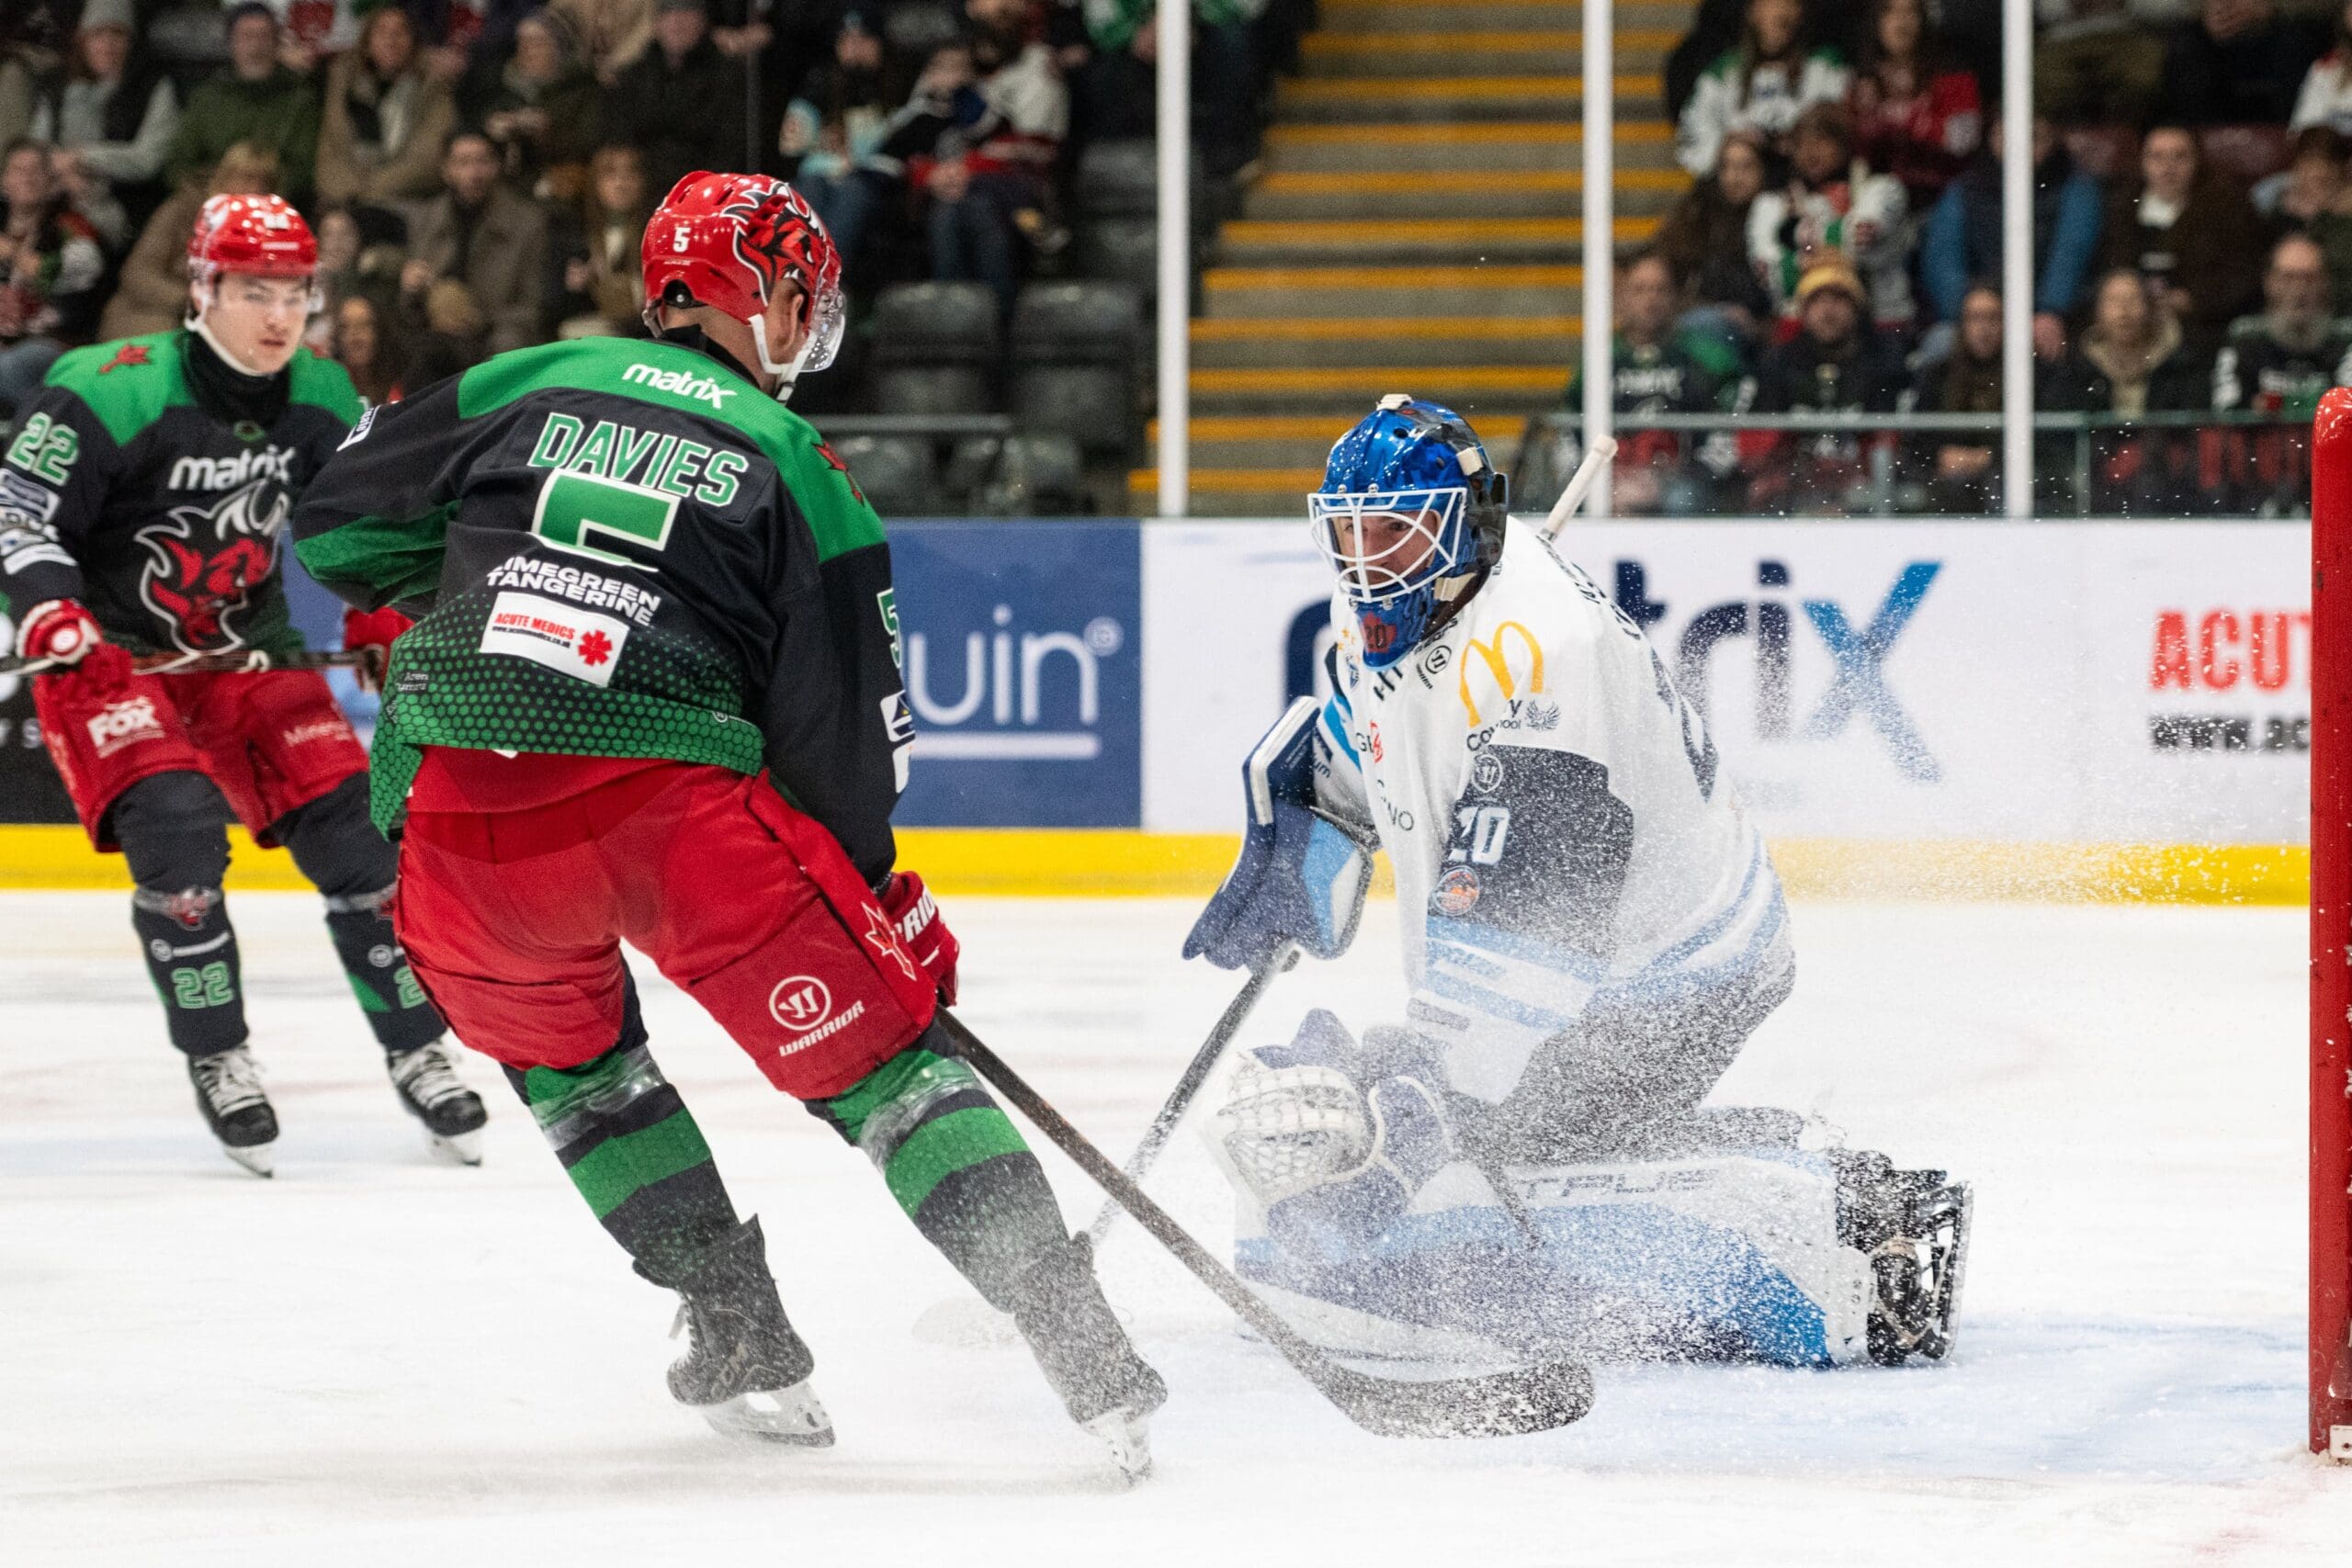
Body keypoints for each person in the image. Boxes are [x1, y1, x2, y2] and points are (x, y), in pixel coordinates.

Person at [287, 172, 1166, 1472]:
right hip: (672, 810)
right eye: (804, 295)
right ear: (763, 293)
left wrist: (466, 586)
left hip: (462, 814)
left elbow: (335, 521)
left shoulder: (525, 375)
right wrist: (871, 900)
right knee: (893, 1078)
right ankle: (1082, 1342)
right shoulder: (802, 463)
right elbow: (843, 737)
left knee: (577, 1074)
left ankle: (738, 1327)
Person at [1183, 394, 1969, 1370]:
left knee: (1471, 1157)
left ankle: (1842, 1221)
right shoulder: (1409, 607)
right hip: (1591, 957)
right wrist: (1307, 821)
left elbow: (1531, 923)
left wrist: (1425, 1094)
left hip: (1679, 968)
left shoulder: (1545, 652)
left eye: (1390, 534)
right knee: (1431, 1120)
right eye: (1345, 536)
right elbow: (1388, 732)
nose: (1363, 563)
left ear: (1460, 531)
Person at [0, 194, 486, 1176]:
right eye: (252, 290)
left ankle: (418, 1048)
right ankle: (220, 1055)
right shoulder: (108, 388)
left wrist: (385, 623)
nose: (277, 315)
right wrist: (52, 610)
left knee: (360, 834)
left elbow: (372, 524)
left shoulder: (319, 391)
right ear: (201, 289)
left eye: (295, 292)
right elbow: (18, 510)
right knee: (178, 829)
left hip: (242, 655)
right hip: (108, 658)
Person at [1556, 250, 1743, 514]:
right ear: (1622, 297)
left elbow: (1727, 428)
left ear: (1675, 296)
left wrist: (1689, 474)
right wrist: (1597, 480)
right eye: (1640, 290)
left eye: (1660, 289)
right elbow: (1570, 432)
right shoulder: (1599, 359)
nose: (1650, 299)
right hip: (1612, 482)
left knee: (1683, 500)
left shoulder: (1706, 356)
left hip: (1681, 483)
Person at [1920, 112, 2102, 359]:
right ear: (1992, 139)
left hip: (2049, 319)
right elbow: (1944, 260)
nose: (2019, 147)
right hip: (1978, 314)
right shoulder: (1964, 191)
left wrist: (2051, 310)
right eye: (2007, 136)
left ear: (2053, 142)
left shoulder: (2076, 189)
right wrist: (1973, 316)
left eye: (2034, 137)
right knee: (1940, 344)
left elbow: (2070, 255)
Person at [1741, 259, 1908, 512]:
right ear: (1804, 310)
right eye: (1817, 300)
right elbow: (1758, 445)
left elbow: (1890, 442)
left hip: (1862, 491)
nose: (1827, 311)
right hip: (1792, 488)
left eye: (1838, 300)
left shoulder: (1883, 361)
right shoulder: (1779, 362)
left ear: (1856, 308)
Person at [2207, 232, 2352, 511]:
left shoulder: (2346, 338)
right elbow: (2224, 412)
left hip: (2333, 484)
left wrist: (2277, 405)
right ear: (2270, 283)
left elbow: (2347, 420)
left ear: (2325, 284)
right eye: (2288, 278)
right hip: (2254, 482)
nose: (2299, 290)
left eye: (2308, 278)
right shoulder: (2243, 337)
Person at [2095, 125, 2263, 361]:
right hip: (2130, 325)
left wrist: (2194, 300)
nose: (2168, 168)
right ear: (2142, 161)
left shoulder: (2227, 207)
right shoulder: (2121, 207)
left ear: (2197, 161)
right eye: (2157, 157)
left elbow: (2246, 274)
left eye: (2179, 157)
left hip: (2201, 327)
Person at [1747, 101, 1913, 332]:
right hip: (1804, 329)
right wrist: (1832, 244)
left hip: (1879, 324)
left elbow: (1865, 247)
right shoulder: (1774, 204)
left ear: (1844, 146)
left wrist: (1801, 243)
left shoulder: (1880, 190)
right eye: (1801, 144)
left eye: (1821, 142)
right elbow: (1774, 275)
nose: (1810, 152)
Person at [2053, 267, 2209, 513]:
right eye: (2114, 301)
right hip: (2095, 492)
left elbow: (2191, 432)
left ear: (2148, 307)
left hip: (2168, 491)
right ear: (2097, 311)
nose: (2124, 310)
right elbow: (2063, 442)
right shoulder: (2077, 369)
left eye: (2133, 300)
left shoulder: (2180, 363)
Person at [27, 0, 180, 231]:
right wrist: (65, 174)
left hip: (125, 206)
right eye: (98, 33)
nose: (107, 43)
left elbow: (147, 160)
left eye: (117, 33)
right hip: (55, 195)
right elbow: (37, 146)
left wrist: (83, 158)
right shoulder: (56, 85)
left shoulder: (154, 87)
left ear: (131, 41)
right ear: (84, 40)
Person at [401, 128, 549, 356]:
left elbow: (533, 307)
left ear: (497, 166)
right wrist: (411, 289)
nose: (473, 173)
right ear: (446, 169)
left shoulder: (527, 223)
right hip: (436, 329)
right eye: (463, 162)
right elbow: (410, 307)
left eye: (482, 161)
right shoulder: (425, 220)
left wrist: (475, 319)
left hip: (496, 330)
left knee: (506, 346)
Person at [166, 5, 322, 207]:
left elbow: (306, 167)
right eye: (247, 36)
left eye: (263, 36)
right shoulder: (207, 97)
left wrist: (260, 191)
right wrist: (216, 192)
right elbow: (178, 162)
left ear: (276, 43)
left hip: (277, 204)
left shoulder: (300, 99)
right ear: (231, 43)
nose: (256, 46)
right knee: (173, 213)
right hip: (209, 201)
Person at [1677, 0, 1849, 178]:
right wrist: (1731, 144)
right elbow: (1694, 135)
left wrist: (1801, 139)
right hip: (1740, 190)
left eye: (1787, 4)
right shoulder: (1724, 72)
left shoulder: (1825, 66)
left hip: (1811, 186)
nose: (1776, 12)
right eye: (1767, 4)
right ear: (1751, 12)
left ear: (1801, 13)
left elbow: (1842, 130)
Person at [0, 138, 107, 416]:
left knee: (9, 367)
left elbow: (86, 266)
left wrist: (16, 255)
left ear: (51, 181)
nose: (28, 178)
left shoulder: (69, 226)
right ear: (4, 180)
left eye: (36, 171)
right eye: (19, 170)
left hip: (52, 341)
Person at [315, 4, 459, 209]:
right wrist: (351, 194)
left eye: (400, 32)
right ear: (367, 41)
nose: (391, 40)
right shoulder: (342, 85)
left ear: (414, 41)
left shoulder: (433, 87)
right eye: (382, 31)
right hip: (344, 202)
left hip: (408, 202)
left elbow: (427, 157)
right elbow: (331, 154)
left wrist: (372, 192)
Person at [605, 0, 749, 199]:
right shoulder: (634, 77)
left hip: (707, 193)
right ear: (655, 24)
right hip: (643, 192)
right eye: (667, 14)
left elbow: (730, 147)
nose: (676, 22)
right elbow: (622, 139)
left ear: (703, 21)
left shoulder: (728, 75)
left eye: (686, 12)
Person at [1845, 0, 1980, 209]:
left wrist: (1909, 120)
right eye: (1890, 11)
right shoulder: (1860, 79)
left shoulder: (1952, 74)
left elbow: (1964, 140)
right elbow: (1851, 149)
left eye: (1911, 12)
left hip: (1942, 196)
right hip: (1881, 198)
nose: (1901, 21)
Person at [2161, 0, 2327, 127]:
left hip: (2274, 57)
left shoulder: (2294, 36)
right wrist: (2204, 26)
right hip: (2211, 96)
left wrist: (2266, 14)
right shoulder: (2189, 41)